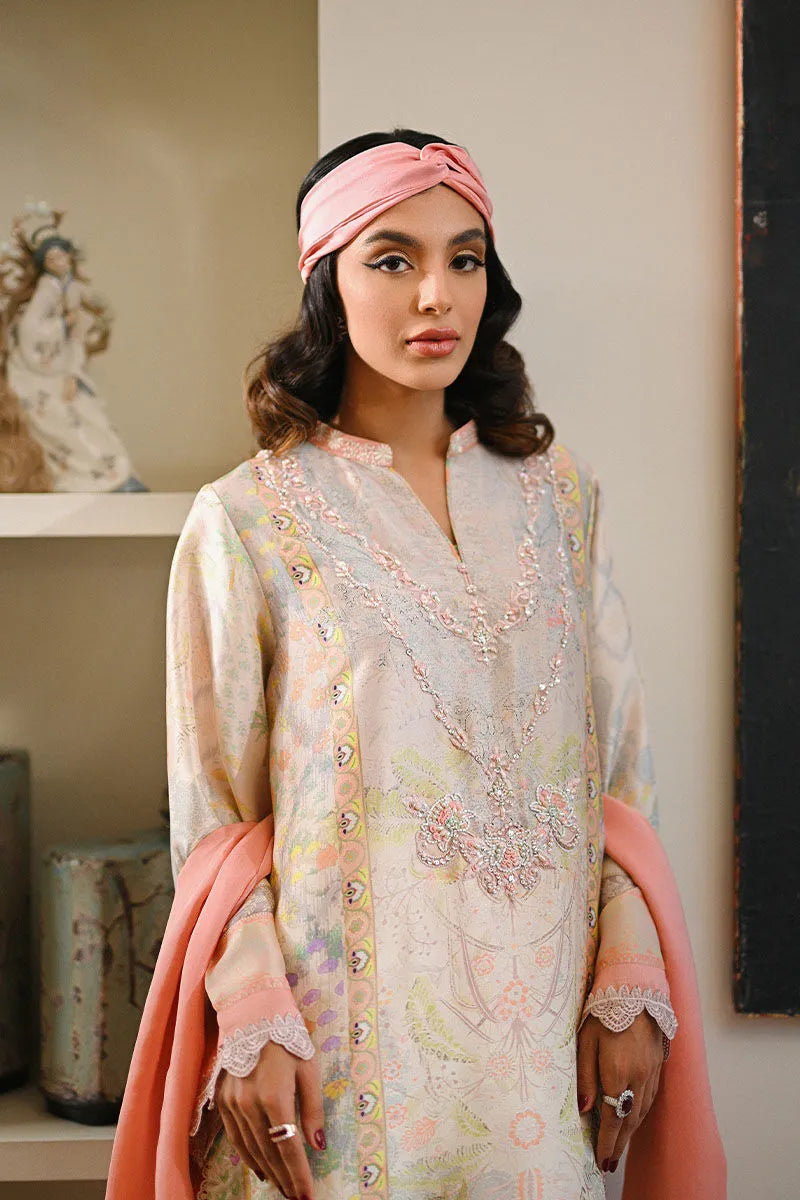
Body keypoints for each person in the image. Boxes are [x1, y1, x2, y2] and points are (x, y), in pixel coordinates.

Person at [106, 129, 726, 1200]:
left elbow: (618, 772)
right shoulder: (248, 520)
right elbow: (212, 818)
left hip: (546, 1053)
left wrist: (628, 980)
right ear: (324, 283)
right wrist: (253, 1018)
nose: (434, 292)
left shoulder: (558, 499)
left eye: (465, 257)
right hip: (339, 1053)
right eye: (391, 259)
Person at [0, 210, 147, 492]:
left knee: (92, 418)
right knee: (67, 420)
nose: (59, 262)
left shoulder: (70, 288)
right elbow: (31, 329)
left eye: (62, 256)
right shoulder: (47, 289)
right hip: (39, 373)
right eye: (52, 259)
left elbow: (83, 328)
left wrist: (73, 366)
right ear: (45, 264)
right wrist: (61, 325)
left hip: (63, 368)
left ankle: (116, 477)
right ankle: (102, 480)